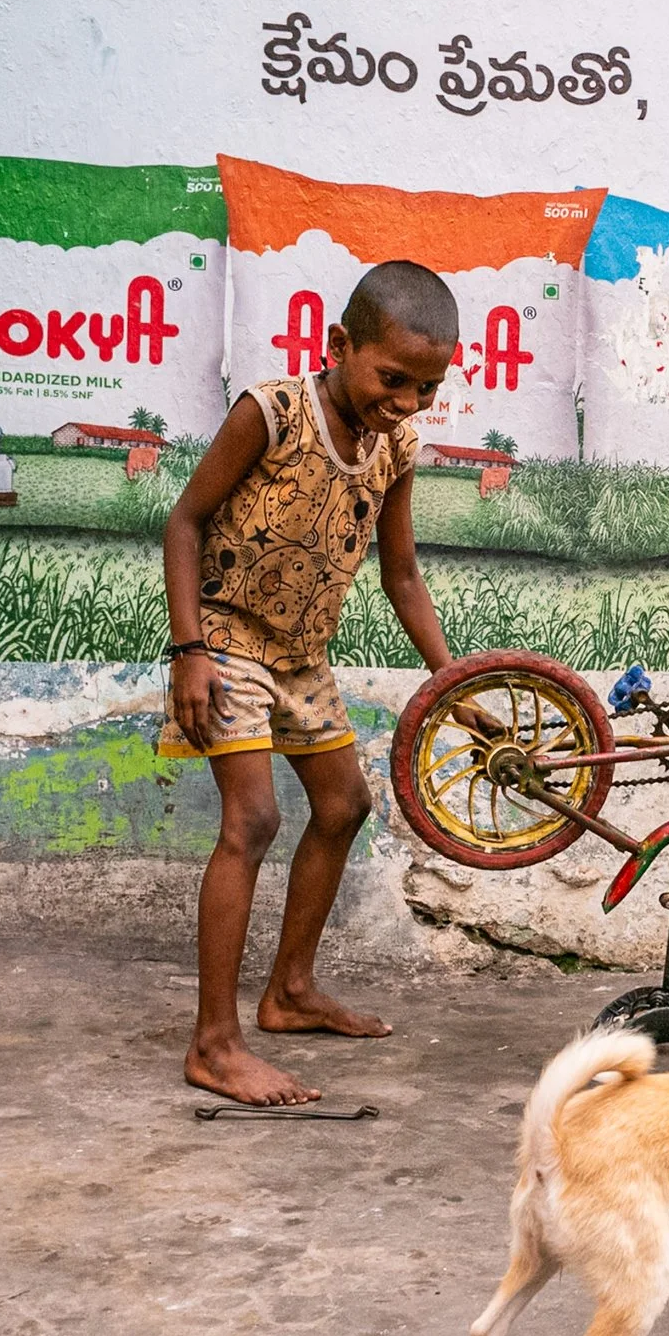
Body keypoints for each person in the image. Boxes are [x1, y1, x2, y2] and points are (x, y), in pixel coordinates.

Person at [161, 261, 460, 1106]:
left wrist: (453, 683)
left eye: (427, 387)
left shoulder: (397, 446)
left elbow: (402, 574)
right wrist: (189, 649)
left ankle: (290, 993)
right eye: (392, 378)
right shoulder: (272, 412)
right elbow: (182, 522)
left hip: (299, 653)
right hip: (223, 636)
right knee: (251, 819)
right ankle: (214, 1044)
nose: (405, 401)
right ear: (340, 346)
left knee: (342, 806)